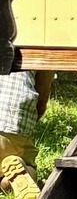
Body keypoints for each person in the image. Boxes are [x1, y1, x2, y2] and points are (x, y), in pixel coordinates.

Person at [0, 70, 52, 199]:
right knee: (27, 164)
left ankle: (6, 181)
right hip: (12, 118)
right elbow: (43, 91)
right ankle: (18, 177)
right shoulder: (39, 49)